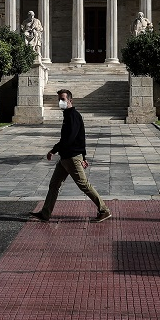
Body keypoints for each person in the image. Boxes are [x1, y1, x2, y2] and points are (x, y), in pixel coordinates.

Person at [30, 90, 112, 223]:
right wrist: (83, 156)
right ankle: (45, 213)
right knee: (54, 184)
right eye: (59, 100)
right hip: (65, 158)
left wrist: (54, 150)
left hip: (72, 157)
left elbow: (70, 139)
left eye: (63, 99)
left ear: (70, 100)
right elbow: (80, 137)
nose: (60, 102)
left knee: (84, 185)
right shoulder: (68, 115)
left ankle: (104, 210)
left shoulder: (73, 116)